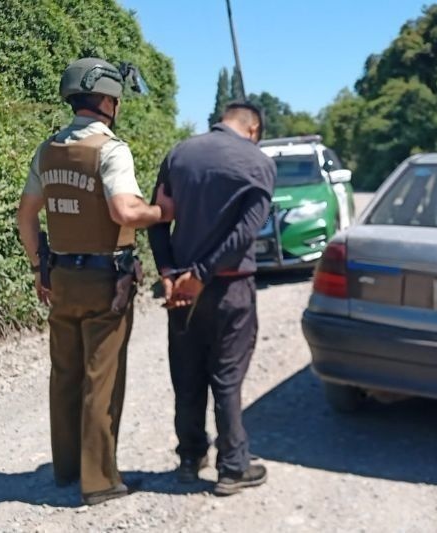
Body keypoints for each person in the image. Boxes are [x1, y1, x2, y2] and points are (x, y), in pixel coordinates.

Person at [15, 57, 174, 506]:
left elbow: (26, 215)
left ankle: (66, 468)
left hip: (60, 276)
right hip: (106, 279)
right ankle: (100, 480)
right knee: (100, 378)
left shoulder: (47, 150)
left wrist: (37, 268)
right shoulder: (110, 149)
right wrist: (163, 212)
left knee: (64, 374)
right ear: (106, 100)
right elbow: (125, 212)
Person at [148, 100, 275, 496]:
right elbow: (246, 232)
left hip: (181, 288)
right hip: (229, 287)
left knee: (186, 378)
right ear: (253, 129)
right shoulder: (257, 162)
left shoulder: (180, 153)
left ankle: (189, 458)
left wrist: (169, 272)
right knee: (227, 378)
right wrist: (203, 274)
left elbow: (157, 217)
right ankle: (233, 467)